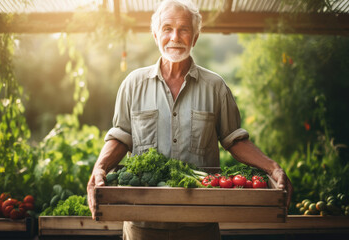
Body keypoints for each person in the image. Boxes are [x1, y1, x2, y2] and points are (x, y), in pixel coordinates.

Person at [87, 0, 293, 239]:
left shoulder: (215, 86)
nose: (175, 36)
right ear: (155, 35)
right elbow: (121, 137)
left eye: (184, 29)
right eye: (167, 28)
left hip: (200, 224)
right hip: (143, 225)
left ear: (194, 38)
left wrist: (273, 168)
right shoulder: (133, 84)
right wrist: (99, 168)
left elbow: (234, 140)